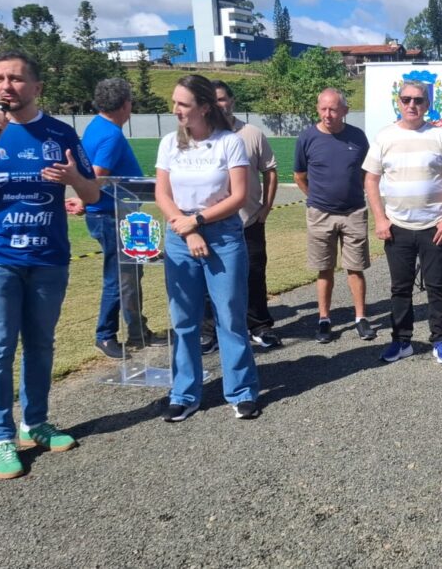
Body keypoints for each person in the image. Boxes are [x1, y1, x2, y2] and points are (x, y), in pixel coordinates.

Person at [0, 51, 99, 479]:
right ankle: (0, 438)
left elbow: (91, 195)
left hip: (48, 258)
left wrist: (73, 179)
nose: (6, 86)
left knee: (40, 344)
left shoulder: (60, 133)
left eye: (15, 79)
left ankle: (34, 422)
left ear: (36, 87)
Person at [154, 75, 261, 422]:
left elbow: (238, 196)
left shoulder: (229, 143)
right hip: (180, 236)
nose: (176, 110)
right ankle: (184, 392)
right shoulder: (170, 143)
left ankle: (242, 390)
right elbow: (162, 195)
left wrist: (197, 222)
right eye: (174, 103)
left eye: (183, 104)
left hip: (223, 236)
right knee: (184, 319)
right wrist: (186, 230)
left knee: (230, 316)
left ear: (203, 107)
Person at [363, 80, 442, 364]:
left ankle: (441, 340)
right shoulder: (385, 137)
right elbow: (371, 179)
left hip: (434, 226)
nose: (412, 105)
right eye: (406, 99)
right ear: (398, 102)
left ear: (427, 105)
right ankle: (401, 341)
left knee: (437, 285)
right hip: (397, 227)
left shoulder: (440, 136)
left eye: (418, 100)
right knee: (400, 288)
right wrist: (381, 219)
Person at [65, 78, 162, 359]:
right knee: (120, 276)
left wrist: (84, 200)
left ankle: (137, 330)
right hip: (111, 215)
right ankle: (105, 334)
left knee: (130, 274)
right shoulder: (111, 135)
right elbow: (98, 174)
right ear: (125, 105)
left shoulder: (96, 127)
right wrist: (85, 199)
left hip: (115, 213)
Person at [199, 80, 279, 351]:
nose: (219, 105)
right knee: (211, 276)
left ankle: (259, 326)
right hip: (211, 222)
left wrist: (266, 208)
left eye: (222, 99)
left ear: (231, 100)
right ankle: (210, 332)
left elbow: (270, 170)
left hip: (249, 220)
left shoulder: (252, 134)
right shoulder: (201, 137)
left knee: (254, 275)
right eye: (213, 100)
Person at [294, 88, 374, 343]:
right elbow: (299, 175)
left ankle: (360, 318)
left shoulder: (358, 137)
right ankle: (324, 319)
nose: (328, 114)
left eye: (333, 109)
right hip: (320, 214)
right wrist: (315, 199)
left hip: (353, 212)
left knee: (355, 268)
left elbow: (367, 173)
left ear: (345, 111)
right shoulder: (307, 137)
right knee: (324, 269)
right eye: (323, 109)